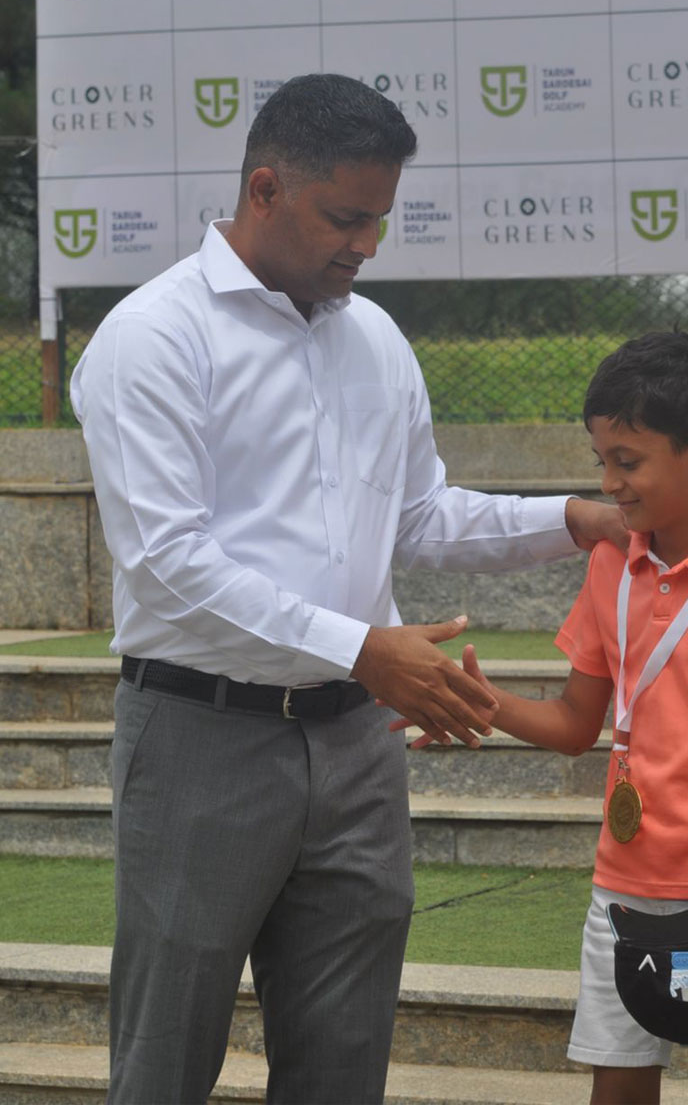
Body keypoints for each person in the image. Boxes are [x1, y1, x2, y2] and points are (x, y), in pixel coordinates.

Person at [69, 72, 626, 1105]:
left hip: (358, 749)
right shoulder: (153, 339)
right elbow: (168, 559)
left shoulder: (373, 338)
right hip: (202, 736)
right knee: (165, 1055)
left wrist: (572, 520)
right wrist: (367, 646)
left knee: (341, 1061)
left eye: (380, 218)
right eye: (346, 217)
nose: (366, 244)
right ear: (266, 189)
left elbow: (420, 515)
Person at [417, 332, 688, 1105]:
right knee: (616, 1092)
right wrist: (472, 698)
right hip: (622, 893)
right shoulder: (613, 563)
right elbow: (579, 723)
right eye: (601, 460)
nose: (608, 484)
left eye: (628, 460)